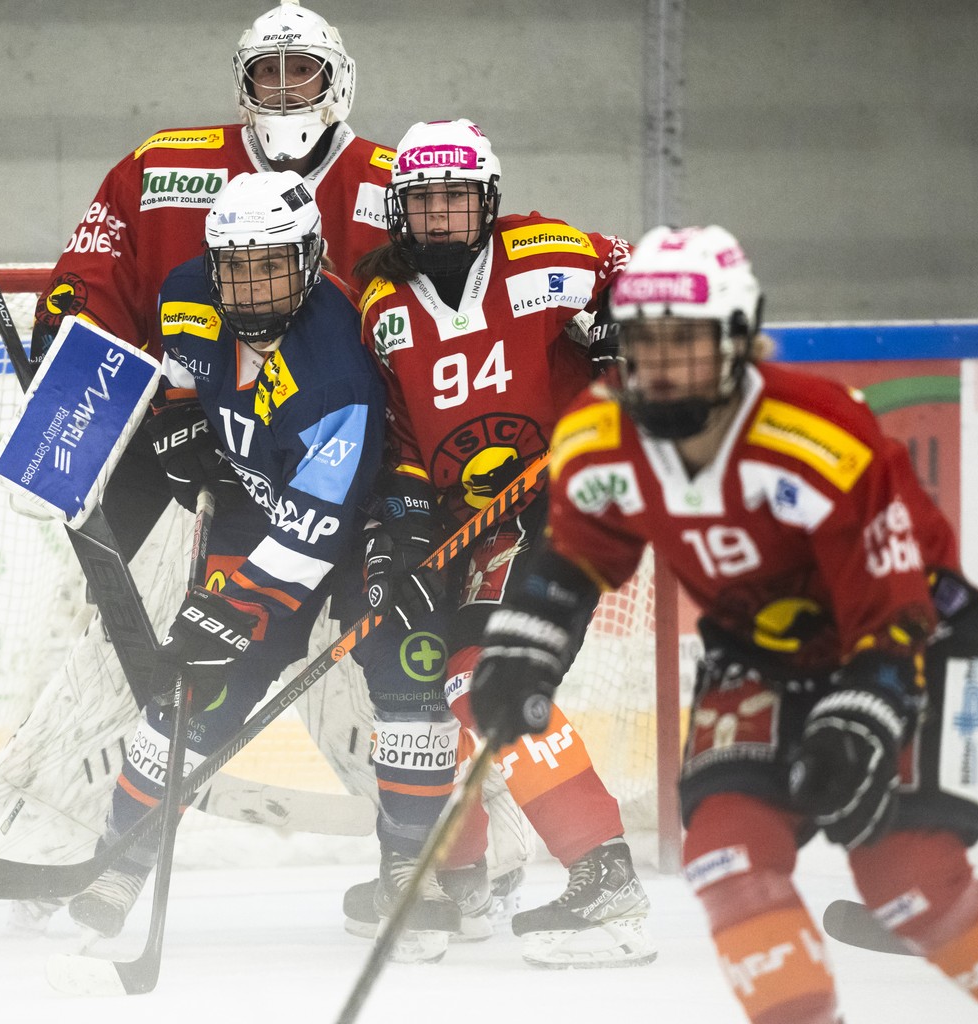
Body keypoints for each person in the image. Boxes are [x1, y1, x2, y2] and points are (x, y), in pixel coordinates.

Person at [468, 224, 978, 1022]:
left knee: (906, 879)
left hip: (914, 641)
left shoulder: (817, 435)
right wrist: (523, 648)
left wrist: (860, 717)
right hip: (760, 651)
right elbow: (576, 559)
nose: (661, 370)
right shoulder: (598, 434)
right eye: (644, 345)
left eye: (686, 345)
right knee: (726, 854)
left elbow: (895, 603)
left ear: (738, 342)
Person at [65, 171, 464, 965]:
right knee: (196, 693)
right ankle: (124, 854)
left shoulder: (336, 365)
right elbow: (179, 365)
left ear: (312, 258)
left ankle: (412, 872)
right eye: (236, 266)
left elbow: (315, 529)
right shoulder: (187, 291)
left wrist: (231, 611)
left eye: (273, 264)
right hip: (254, 506)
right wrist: (179, 421)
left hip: (364, 521)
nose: (252, 285)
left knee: (408, 673)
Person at [344, 118, 655, 968]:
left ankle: (605, 877)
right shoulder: (383, 306)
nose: (442, 218)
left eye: (457, 200)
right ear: (399, 211)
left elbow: (645, 273)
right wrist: (402, 532)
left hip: (575, 495)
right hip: (473, 520)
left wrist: (638, 325)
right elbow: (403, 442)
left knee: (494, 677)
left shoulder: (547, 252)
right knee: (446, 677)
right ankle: (460, 877)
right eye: (424, 203)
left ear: (490, 201)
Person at [31, 0, 394, 562]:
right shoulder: (160, 166)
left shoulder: (397, 185)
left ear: (336, 79)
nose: (280, 88)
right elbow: (96, 279)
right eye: (266, 71)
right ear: (243, 81)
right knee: (119, 607)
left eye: (300, 69)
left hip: (331, 438)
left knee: (306, 609)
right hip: (176, 423)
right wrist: (59, 360)